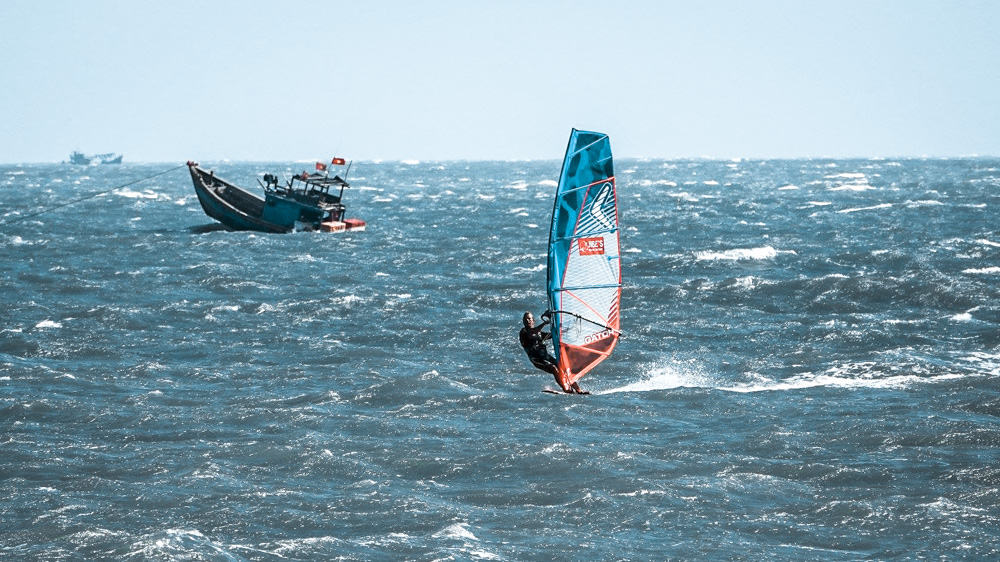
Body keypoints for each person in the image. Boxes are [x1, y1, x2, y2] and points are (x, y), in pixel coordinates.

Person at [519, 311, 588, 394]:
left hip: (546, 356)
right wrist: (545, 323)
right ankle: (566, 389)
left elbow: (553, 335)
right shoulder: (523, 332)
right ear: (523, 321)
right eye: (526, 319)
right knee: (553, 368)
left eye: (530, 319)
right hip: (537, 359)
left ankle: (578, 389)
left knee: (563, 367)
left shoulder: (539, 333)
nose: (528, 320)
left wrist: (569, 328)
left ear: (533, 320)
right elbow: (532, 332)